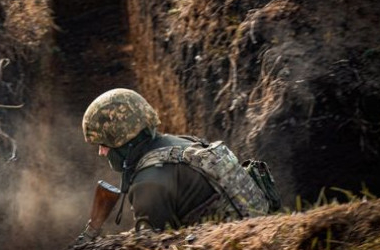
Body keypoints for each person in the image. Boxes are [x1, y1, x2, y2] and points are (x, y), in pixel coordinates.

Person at [81, 88, 271, 232]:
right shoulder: (182, 142)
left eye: (103, 143)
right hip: (258, 227)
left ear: (121, 138)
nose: (101, 152)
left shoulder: (148, 184)